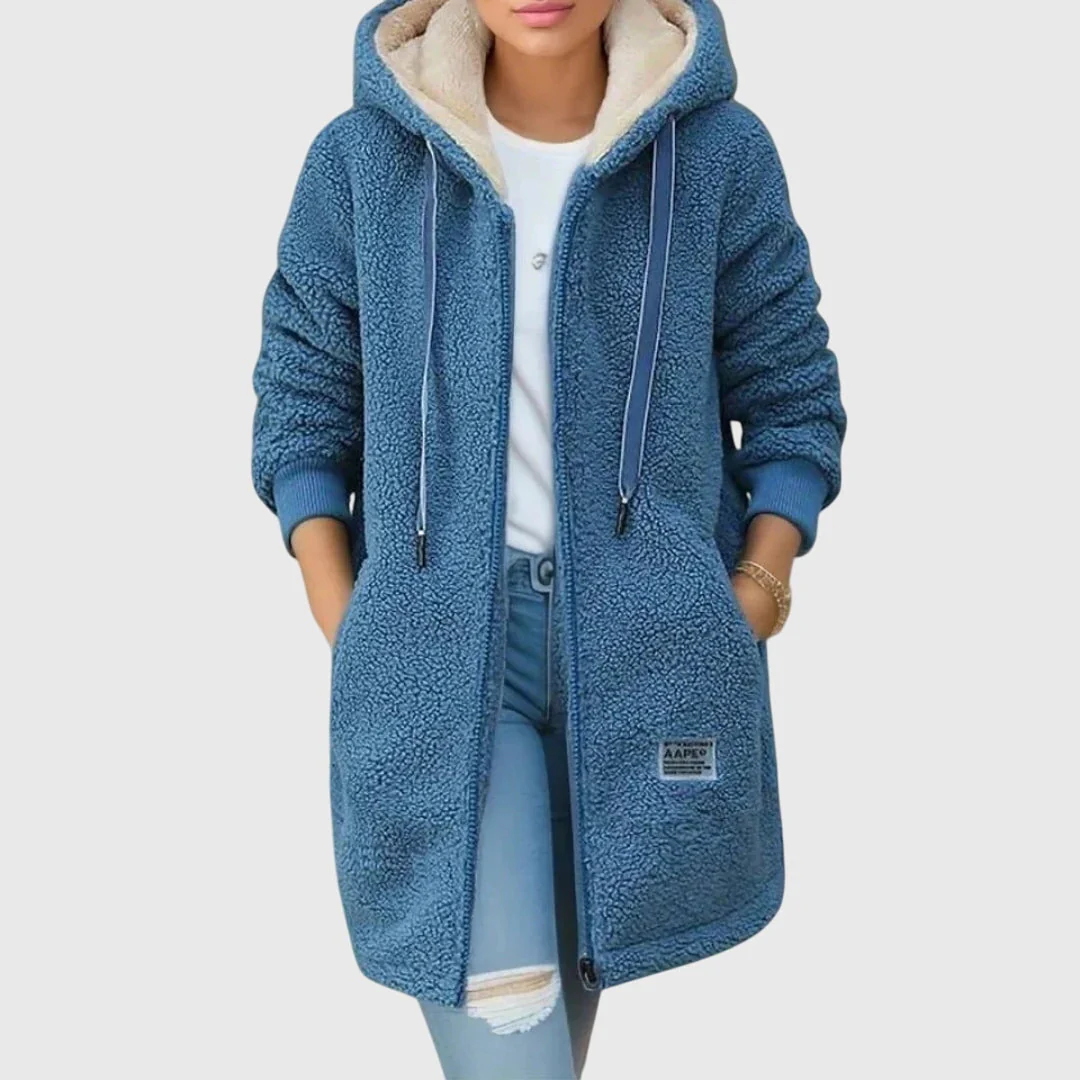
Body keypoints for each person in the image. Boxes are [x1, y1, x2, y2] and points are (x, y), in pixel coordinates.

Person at [250, 0, 846, 1074]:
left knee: (549, 1051)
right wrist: (353, 617)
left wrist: (754, 591)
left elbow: (791, 385)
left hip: (648, 662)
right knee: (514, 1058)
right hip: (447, 664)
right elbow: (305, 393)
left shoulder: (717, 155)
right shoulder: (362, 161)